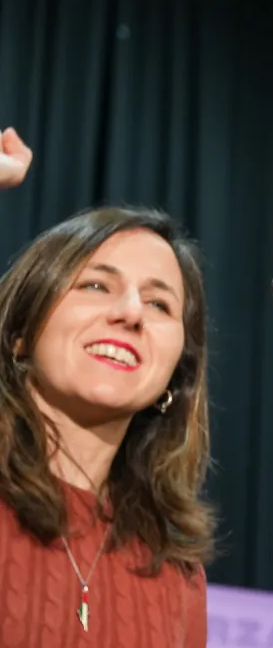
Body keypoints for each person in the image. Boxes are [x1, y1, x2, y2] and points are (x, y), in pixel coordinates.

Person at [0, 130, 213, 647]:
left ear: (175, 377)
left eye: (161, 304)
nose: (132, 313)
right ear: (21, 335)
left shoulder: (176, 572)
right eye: (97, 285)